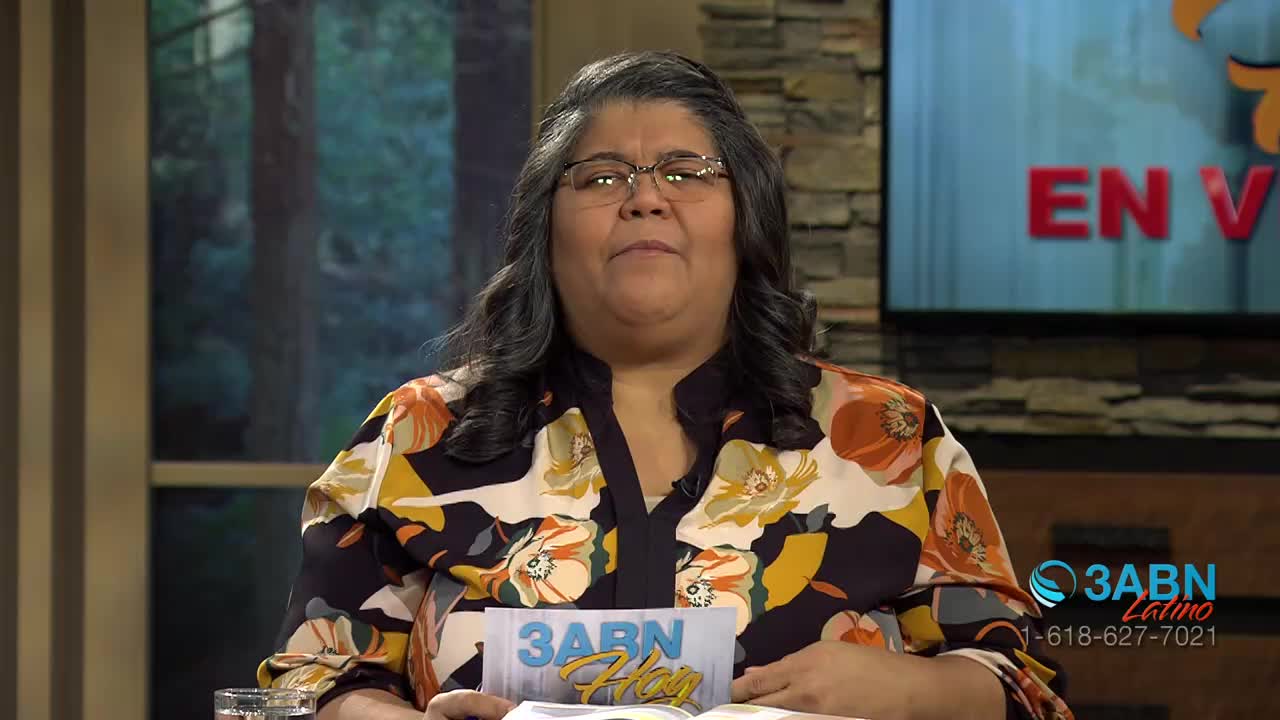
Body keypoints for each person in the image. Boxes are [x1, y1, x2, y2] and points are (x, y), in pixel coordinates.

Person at [258, 51, 1073, 720]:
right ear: (545, 229)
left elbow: (1028, 691)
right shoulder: (418, 431)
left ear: (744, 218)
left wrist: (907, 690)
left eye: (686, 173)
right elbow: (306, 685)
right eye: (602, 178)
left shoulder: (889, 433)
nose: (645, 198)